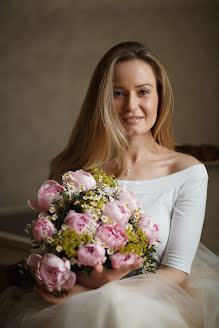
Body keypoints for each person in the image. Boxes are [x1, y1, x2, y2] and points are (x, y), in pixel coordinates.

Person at [0, 41, 218, 328]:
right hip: (80, 298)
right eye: (117, 93)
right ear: (101, 100)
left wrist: (97, 292)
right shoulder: (80, 172)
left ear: (159, 97)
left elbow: (176, 270)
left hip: (156, 300)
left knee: (110, 306)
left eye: (143, 92)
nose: (131, 105)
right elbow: (62, 253)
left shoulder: (187, 172)